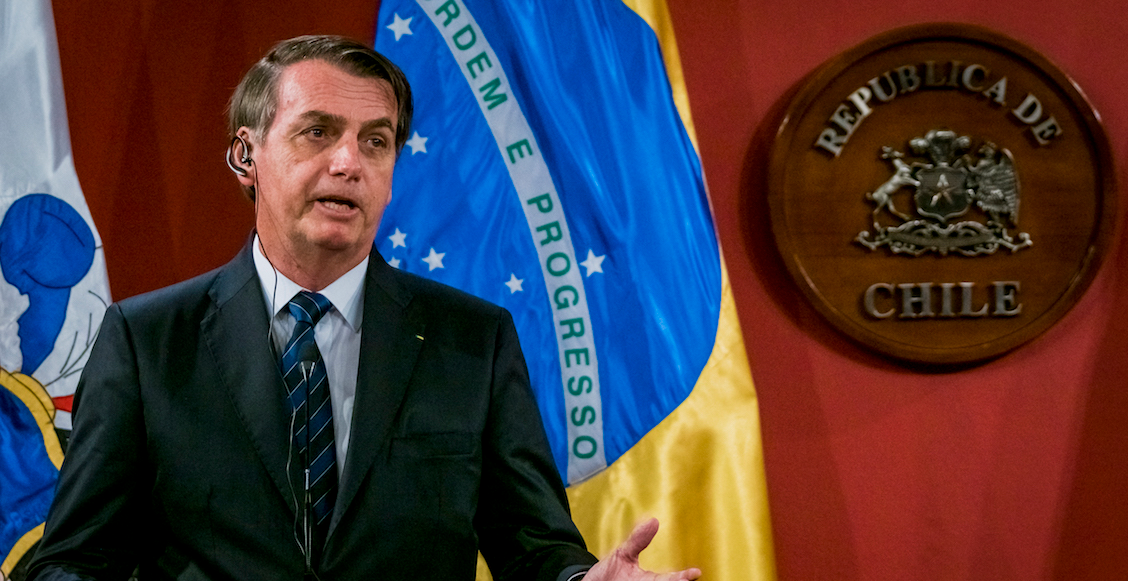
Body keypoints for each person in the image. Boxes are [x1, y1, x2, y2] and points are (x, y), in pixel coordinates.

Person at [27, 35, 702, 581]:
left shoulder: (473, 341)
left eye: (375, 141)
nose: (349, 162)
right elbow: (75, 560)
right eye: (318, 132)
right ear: (245, 155)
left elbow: (534, 548)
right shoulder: (147, 341)